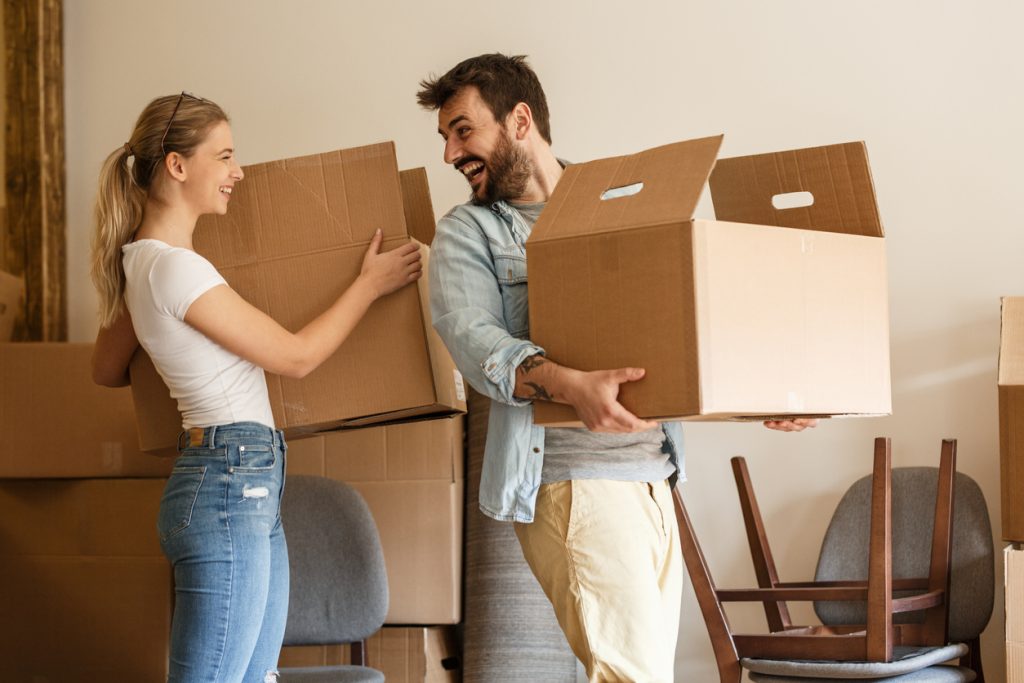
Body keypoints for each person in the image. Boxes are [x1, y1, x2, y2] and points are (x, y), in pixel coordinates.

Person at [417, 54, 815, 682]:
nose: (450, 154)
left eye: (463, 130)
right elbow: (475, 342)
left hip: (654, 476)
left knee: (644, 673)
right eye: (445, 137)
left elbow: (681, 326)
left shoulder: (621, 205)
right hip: (571, 483)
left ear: (520, 120)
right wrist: (567, 384)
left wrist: (764, 396)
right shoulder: (469, 233)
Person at [90, 92, 421, 683]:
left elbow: (106, 369)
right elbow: (295, 357)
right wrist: (369, 286)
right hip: (229, 483)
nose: (237, 172)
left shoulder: (143, 264)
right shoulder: (175, 269)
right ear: (177, 165)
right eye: (225, 156)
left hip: (241, 483)